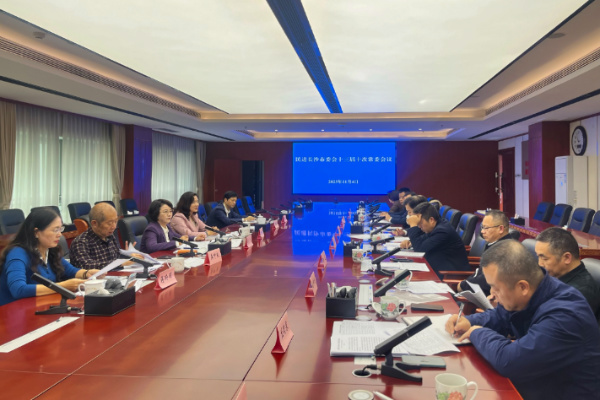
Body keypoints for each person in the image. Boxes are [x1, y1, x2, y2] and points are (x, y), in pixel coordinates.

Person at [445, 240, 600, 399]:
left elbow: (510, 361)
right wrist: (470, 321)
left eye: (496, 288)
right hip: (535, 385)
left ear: (522, 287)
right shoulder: (536, 288)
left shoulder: (565, 315)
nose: (492, 293)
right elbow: (500, 315)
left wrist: (477, 332)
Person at [0, 208, 101, 306]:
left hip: (40, 306)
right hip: (12, 311)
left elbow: (70, 271)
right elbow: (18, 289)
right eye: (55, 230)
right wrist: (62, 286)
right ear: (36, 232)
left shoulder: (50, 250)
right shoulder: (17, 253)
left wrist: (87, 273)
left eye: (60, 229)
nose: (60, 234)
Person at [535, 227, 600, 317]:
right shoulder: (555, 276)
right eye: (538, 257)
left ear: (567, 258)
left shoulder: (579, 294)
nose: (540, 264)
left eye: (544, 258)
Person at [402, 202, 469, 276]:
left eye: (420, 223)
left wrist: (413, 225)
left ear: (431, 220)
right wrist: (411, 242)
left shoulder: (442, 231)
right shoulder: (437, 226)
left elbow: (419, 249)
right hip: (437, 268)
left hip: (449, 275)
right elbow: (423, 240)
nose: (419, 227)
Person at [70, 202, 140, 270]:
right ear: (94, 223)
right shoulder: (81, 242)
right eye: (109, 223)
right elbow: (86, 266)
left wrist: (127, 255)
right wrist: (119, 263)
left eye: (115, 221)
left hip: (115, 275)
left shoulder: (110, 236)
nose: (114, 227)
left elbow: (116, 257)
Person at [458, 210, 513, 295]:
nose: (482, 231)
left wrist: (463, 285)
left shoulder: (505, 251)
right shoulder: (494, 244)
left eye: (486, 228)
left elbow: (487, 280)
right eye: (482, 227)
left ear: (501, 229)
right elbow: (480, 273)